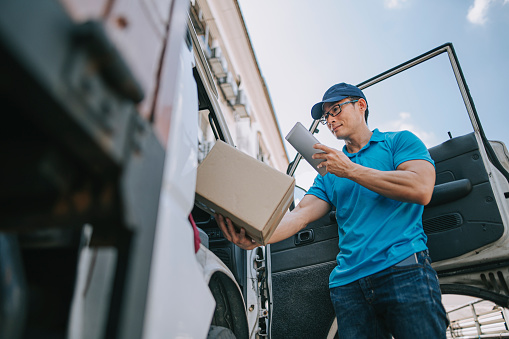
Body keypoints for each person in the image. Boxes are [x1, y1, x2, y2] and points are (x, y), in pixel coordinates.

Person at [216, 82, 449, 338]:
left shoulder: (398, 142)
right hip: (349, 285)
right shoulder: (329, 172)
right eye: (326, 116)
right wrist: (258, 238)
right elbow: (299, 216)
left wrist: (351, 170)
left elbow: (420, 187)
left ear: (361, 105)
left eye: (336, 110)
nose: (330, 120)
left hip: (403, 268)